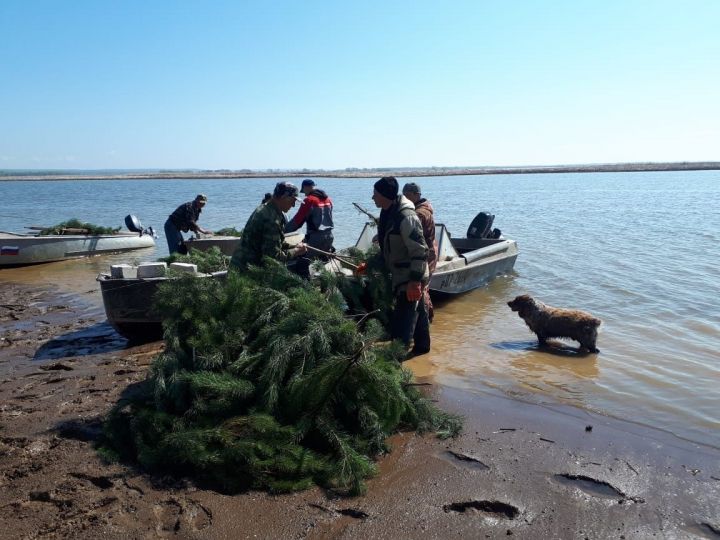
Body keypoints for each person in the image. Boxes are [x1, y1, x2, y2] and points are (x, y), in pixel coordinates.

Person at [372, 176, 430, 356]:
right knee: (419, 315)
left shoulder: (406, 217)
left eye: (375, 194)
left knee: (402, 325)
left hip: (410, 276)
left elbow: (420, 251)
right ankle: (422, 351)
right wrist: (372, 263)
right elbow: (388, 248)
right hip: (403, 274)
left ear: (384, 195)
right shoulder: (388, 212)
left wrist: (414, 282)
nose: (372, 198)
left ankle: (395, 364)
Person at [230, 182, 307, 271]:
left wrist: (293, 246)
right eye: (293, 201)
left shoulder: (265, 208)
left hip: (240, 265)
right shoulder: (272, 219)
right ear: (284, 197)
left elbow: (273, 243)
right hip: (247, 271)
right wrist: (296, 251)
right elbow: (273, 258)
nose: (293, 205)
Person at [402, 182, 438, 322]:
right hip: (428, 252)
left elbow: (412, 235)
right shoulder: (421, 209)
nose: (404, 199)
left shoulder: (419, 214)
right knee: (423, 288)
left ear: (415, 195)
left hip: (425, 255)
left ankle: (426, 320)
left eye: (407, 196)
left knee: (422, 289)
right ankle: (425, 321)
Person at [285, 178, 334, 278]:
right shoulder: (328, 200)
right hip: (329, 237)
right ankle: (325, 288)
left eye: (304, 191)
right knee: (323, 264)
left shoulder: (309, 200)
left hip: (316, 239)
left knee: (302, 263)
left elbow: (297, 222)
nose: (304, 194)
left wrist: (282, 230)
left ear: (306, 188)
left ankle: (306, 289)